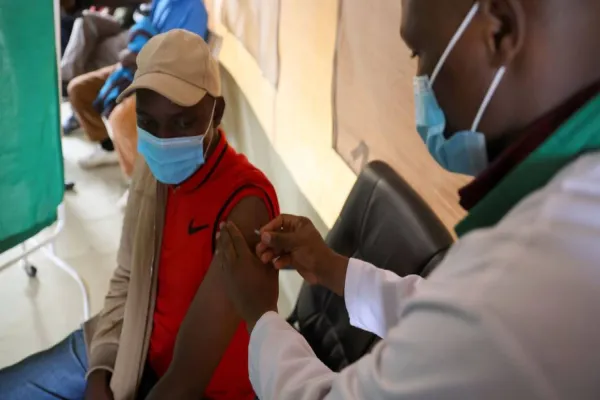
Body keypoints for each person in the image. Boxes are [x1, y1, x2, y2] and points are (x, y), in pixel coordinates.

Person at [216, 0, 600, 399]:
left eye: (421, 53)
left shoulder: (520, 276)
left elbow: (468, 319)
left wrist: (260, 315)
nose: (421, 83)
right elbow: (446, 320)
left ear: (499, 30)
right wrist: (332, 268)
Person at [0, 29, 279, 400]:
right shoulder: (154, 167)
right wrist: (102, 366)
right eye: (147, 122)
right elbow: (128, 276)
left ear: (218, 112)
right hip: (132, 340)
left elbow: (186, 381)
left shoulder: (244, 205)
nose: (163, 139)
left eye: (183, 122)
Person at [67, 0, 208, 170]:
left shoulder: (192, 9)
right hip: (140, 68)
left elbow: (181, 64)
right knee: (79, 90)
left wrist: (139, 60)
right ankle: (109, 147)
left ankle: (139, 176)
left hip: (167, 82)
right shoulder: (162, 2)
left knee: (121, 117)